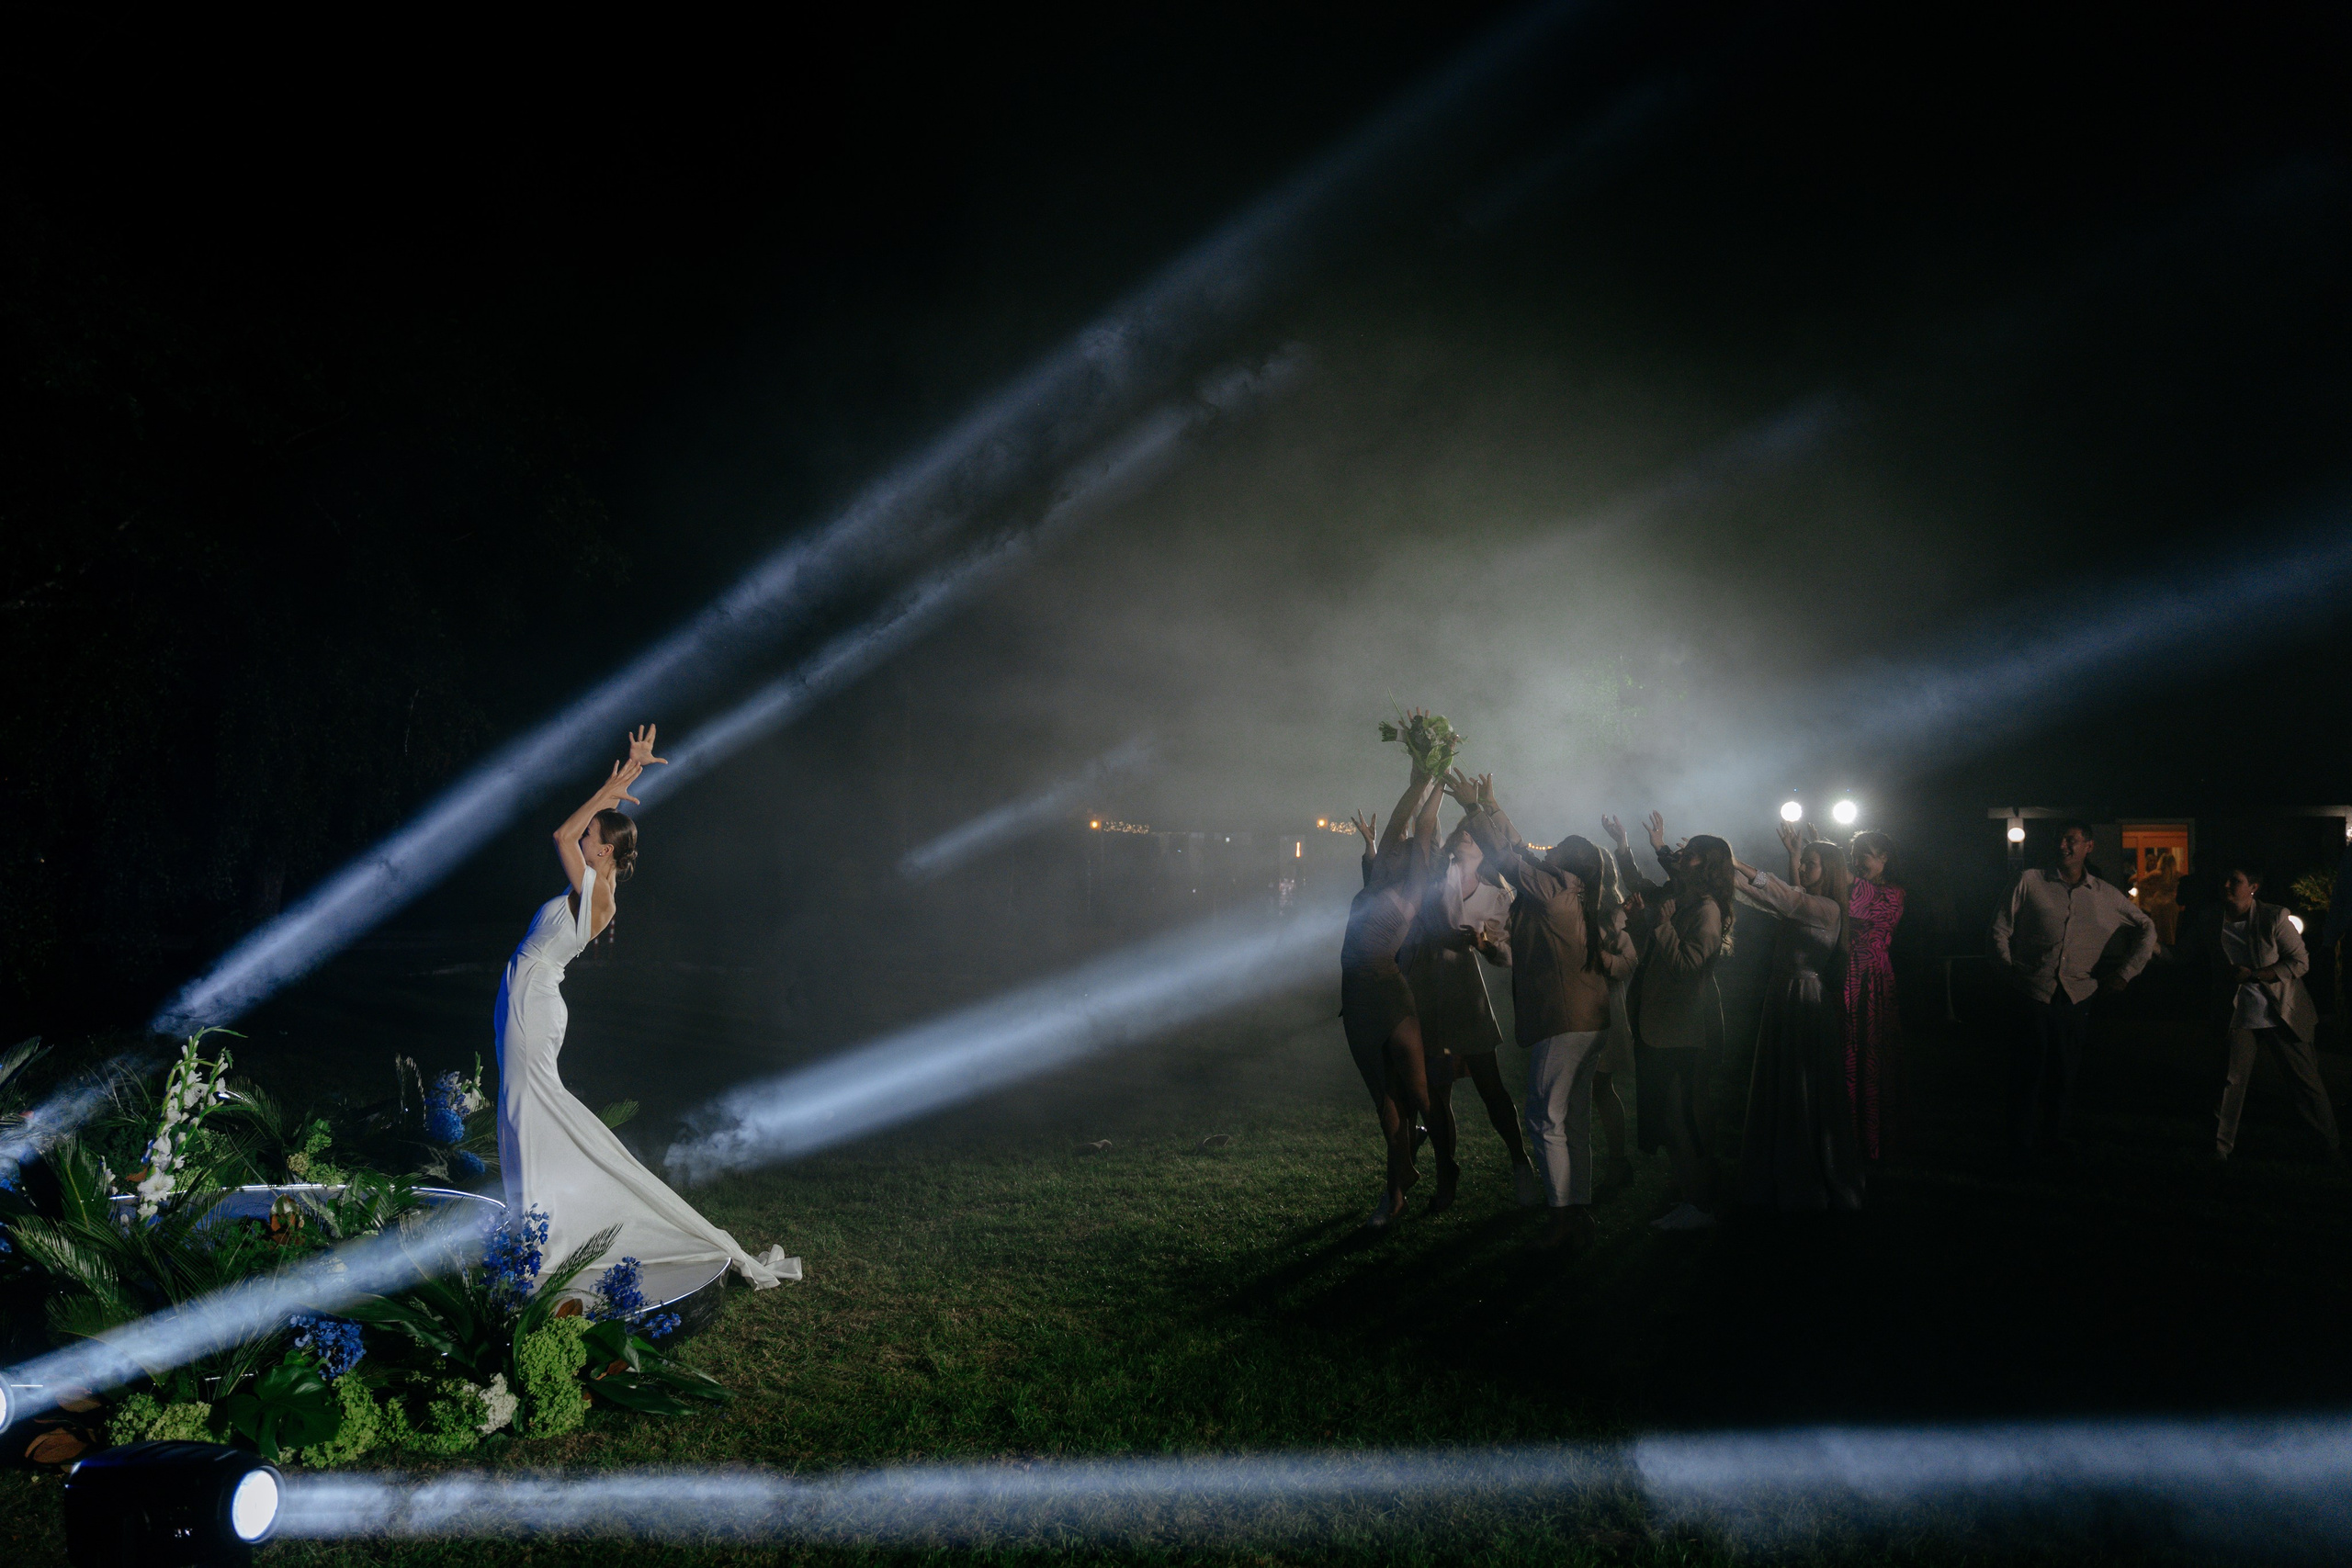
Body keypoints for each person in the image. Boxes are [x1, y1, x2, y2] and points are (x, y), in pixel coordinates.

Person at [497, 726, 797, 1296]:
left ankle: (539, 1238)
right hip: (528, 999)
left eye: (593, 836)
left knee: (528, 1114)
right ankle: (535, 1226)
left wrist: (606, 793)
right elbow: (586, 829)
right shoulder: (594, 882)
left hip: (531, 1005)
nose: (584, 837)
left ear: (602, 849)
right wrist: (627, 776)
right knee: (523, 1115)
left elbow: (562, 832)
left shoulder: (598, 894)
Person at [1454, 775, 1634, 1250]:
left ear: (1566, 862)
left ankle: (1561, 1217)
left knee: (1544, 1117)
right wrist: (1493, 807)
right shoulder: (1568, 890)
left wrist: (1475, 810)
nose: (1545, 851)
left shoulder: (1553, 892)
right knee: (1572, 1120)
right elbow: (1521, 854)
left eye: (1555, 850)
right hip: (1588, 1018)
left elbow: (1510, 860)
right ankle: (1578, 1212)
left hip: (1566, 1019)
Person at [1989, 820, 2158, 1158]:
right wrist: (2010, 972)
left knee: (2065, 1071)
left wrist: (2126, 972)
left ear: (2088, 847)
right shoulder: (2029, 881)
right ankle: (2019, 1141)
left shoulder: (2105, 895)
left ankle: (2055, 1135)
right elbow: (1999, 929)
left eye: (2071, 840)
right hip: (2033, 992)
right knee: (2027, 1069)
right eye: (2059, 839)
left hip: (2076, 996)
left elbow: (2146, 926)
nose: (2063, 845)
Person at [1405, 816, 1544, 1211]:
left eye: (1473, 832)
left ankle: (1521, 1163)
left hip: (1466, 995)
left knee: (1491, 1087)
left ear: (1484, 846)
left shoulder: (1495, 895)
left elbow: (1507, 954)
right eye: (1461, 829)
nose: (1465, 833)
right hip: (1429, 990)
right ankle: (1446, 1173)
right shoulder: (1436, 872)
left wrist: (1484, 947)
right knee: (1436, 1094)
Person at [1733, 825, 1864, 1212]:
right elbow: (1766, 894)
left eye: (1810, 863)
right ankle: (1777, 1168)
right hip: (1784, 997)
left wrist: (1735, 860)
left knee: (1801, 1089)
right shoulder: (1809, 901)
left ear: (1831, 869)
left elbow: (1785, 897)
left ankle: (1806, 1173)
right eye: (1803, 863)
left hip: (1805, 1000)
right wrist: (1717, 869)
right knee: (1783, 1085)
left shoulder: (1828, 909)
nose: (1803, 868)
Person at [1340, 753, 1443, 1228]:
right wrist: (1419, 777)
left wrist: (1437, 781)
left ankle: (1446, 1171)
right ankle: (1403, 1172)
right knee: (1383, 1101)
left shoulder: (1412, 887)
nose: (1395, 845)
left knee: (1421, 1094)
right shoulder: (1379, 877)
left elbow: (1420, 828)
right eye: (1391, 845)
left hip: (1388, 992)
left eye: (1402, 847)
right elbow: (1402, 823)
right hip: (1356, 997)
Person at [1620, 812, 1735, 1229]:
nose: (1679, 858)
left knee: (1683, 1116)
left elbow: (1688, 967)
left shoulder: (1705, 910)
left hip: (1684, 1029)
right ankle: (1690, 1196)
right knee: (1670, 1118)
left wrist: (1663, 927)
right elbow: (1644, 885)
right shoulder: (1683, 897)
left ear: (1706, 865)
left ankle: (1700, 1204)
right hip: (1663, 1025)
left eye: (1689, 855)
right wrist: (1630, 846)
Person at [2211, 863, 2338, 1162]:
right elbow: (2185, 953)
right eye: (2223, 880)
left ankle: (2329, 1146)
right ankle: (2219, 1149)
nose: (2227, 886)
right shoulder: (2210, 919)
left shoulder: (2273, 917)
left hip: (2282, 1012)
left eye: (2235, 880)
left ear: (2253, 887)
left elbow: (2299, 962)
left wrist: (2257, 974)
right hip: (2240, 1015)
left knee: (2306, 1083)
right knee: (2231, 1083)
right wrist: (2152, 949)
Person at [1845, 829, 1906, 1164]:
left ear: (1884, 859)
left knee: (1868, 1057)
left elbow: (1855, 898)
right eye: (1854, 853)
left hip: (1871, 981)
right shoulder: (1858, 886)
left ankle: (1870, 1139)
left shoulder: (1891, 894)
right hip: (1847, 976)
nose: (1858, 861)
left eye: (1866, 854)